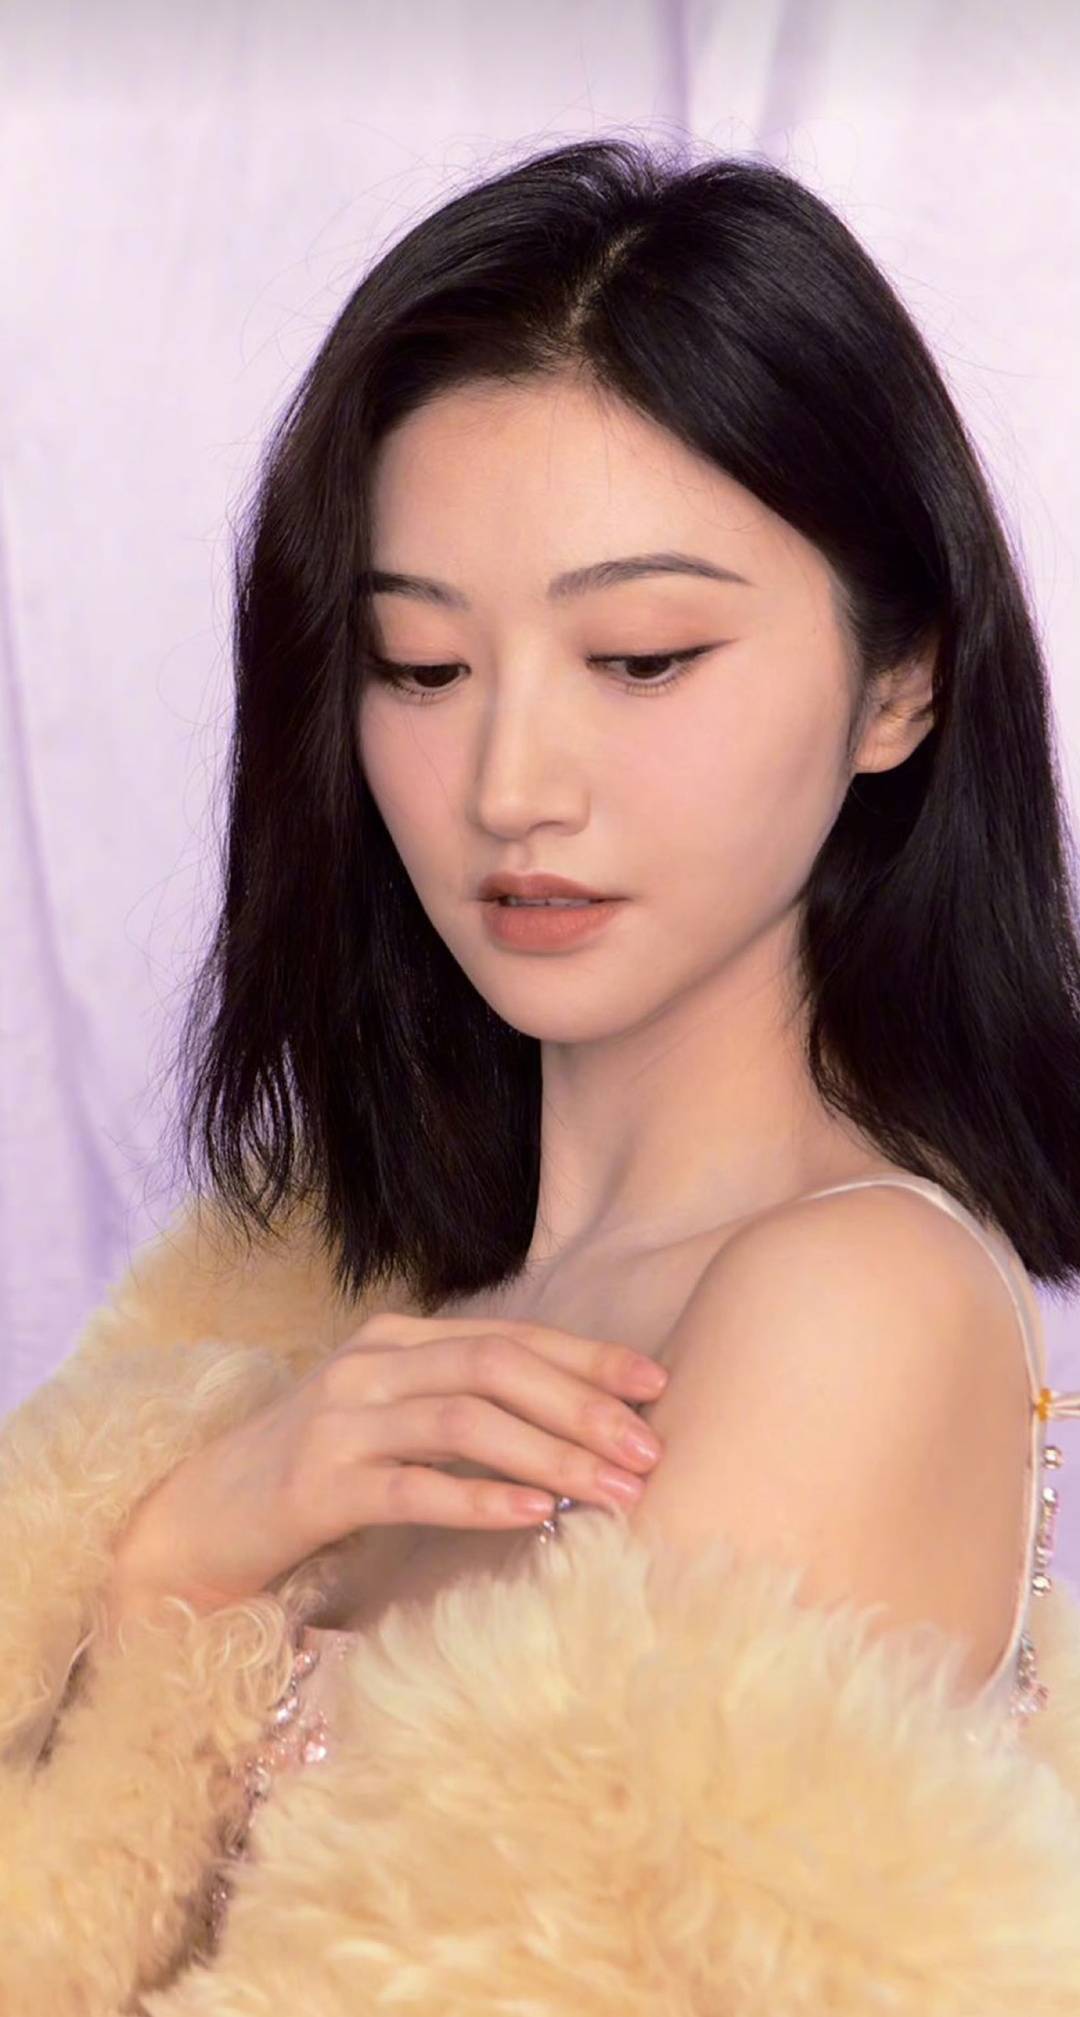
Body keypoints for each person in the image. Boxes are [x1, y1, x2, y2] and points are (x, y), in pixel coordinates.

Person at [4, 135, 1080, 2015]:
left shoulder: (850, 1302)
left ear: (901, 678)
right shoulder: (303, 1295)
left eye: (641, 657)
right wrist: (177, 1560)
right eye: (422, 666)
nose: (511, 785)